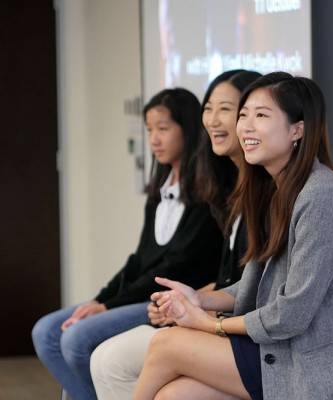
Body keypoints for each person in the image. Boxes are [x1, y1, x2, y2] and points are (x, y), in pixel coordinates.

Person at [131, 73, 333, 400]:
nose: (246, 126)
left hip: (323, 368)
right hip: (286, 352)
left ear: (297, 129)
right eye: (243, 114)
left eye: (261, 115)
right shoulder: (276, 191)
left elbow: (290, 313)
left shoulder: (321, 196)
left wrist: (210, 325)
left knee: (165, 344)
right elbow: (257, 284)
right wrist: (200, 300)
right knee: (175, 395)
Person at [31, 87, 226, 400]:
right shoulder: (160, 191)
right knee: (45, 331)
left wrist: (108, 306)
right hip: (140, 295)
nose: (154, 139)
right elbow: (138, 261)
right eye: (149, 130)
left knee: (75, 340)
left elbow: (172, 267)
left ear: (188, 130)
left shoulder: (207, 196)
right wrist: (98, 300)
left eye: (163, 129)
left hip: (166, 301)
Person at [90, 69, 262, 400]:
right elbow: (236, 281)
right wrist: (187, 303)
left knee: (111, 360)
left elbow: (264, 294)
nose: (213, 119)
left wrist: (203, 314)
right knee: (104, 356)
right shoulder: (238, 191)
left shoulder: (277, 193)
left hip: (248, 338)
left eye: (227, 109)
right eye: (208, 108)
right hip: (227, 324)